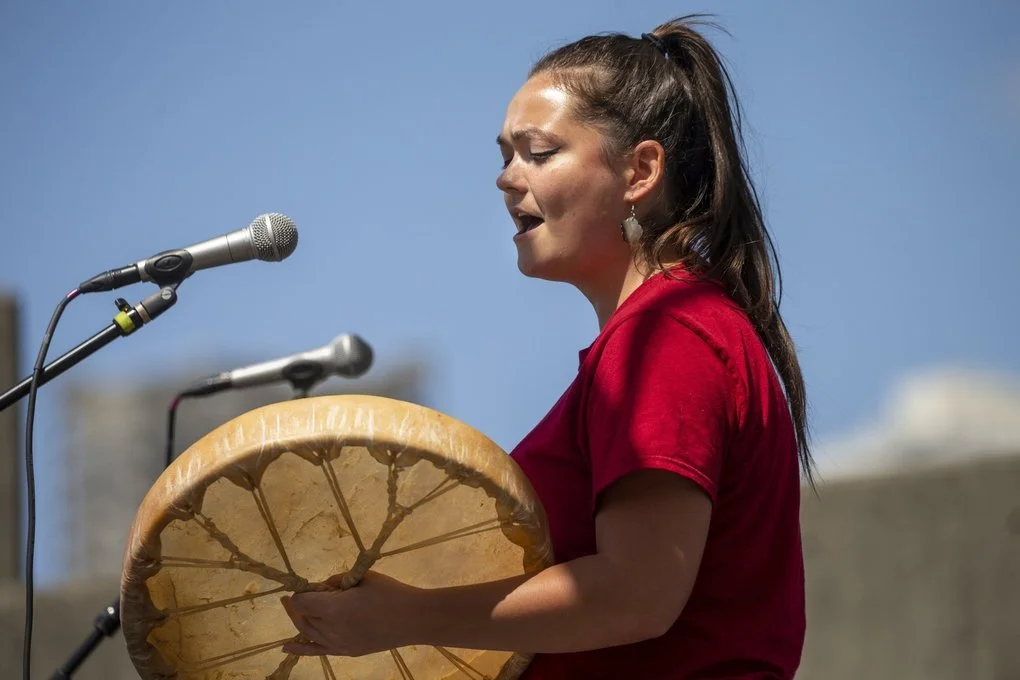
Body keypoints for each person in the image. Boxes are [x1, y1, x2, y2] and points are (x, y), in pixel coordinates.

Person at [281, 15, 812, 679]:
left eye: (538, 152)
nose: (506, 178)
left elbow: (636, 596)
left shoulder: (668, 334)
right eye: (505, 155)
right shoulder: (670, 329)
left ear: (640, 170)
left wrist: (406, 615)